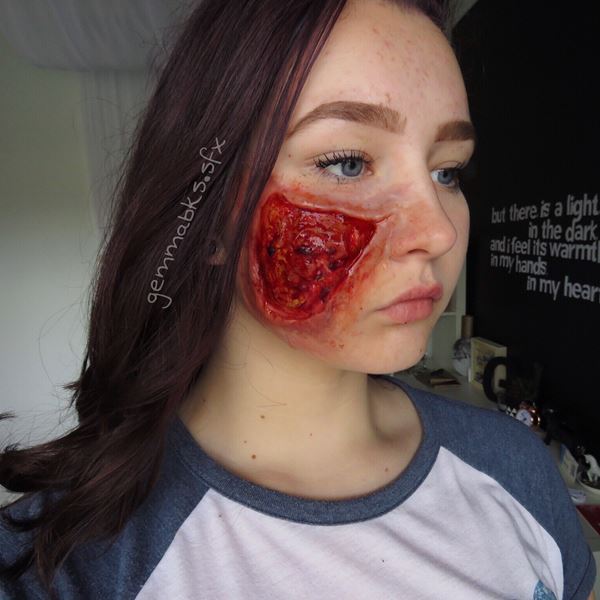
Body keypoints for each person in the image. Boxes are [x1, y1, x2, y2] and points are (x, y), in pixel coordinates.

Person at [0, 0, 596, 598]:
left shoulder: (516, 469)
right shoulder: (64, 565)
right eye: (347, 163)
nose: (438, 232)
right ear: (208, 220)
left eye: (448, 172)